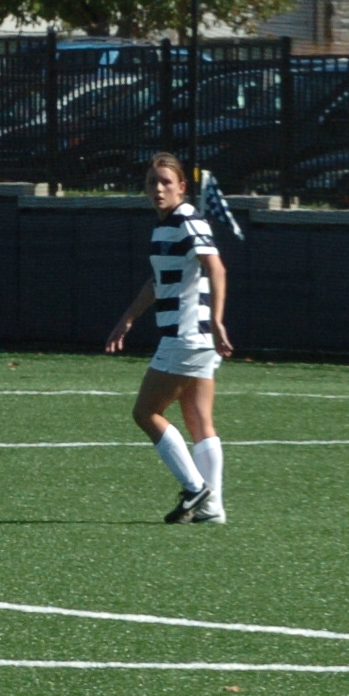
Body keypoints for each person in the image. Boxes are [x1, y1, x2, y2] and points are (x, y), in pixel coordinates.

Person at [105, 153, 234, 524]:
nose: (158, 189)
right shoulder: (164, 226)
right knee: (199, 420)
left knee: (145, 413)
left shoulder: (187, 219)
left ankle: (195, 489)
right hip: (195, 338)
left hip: (187, 335)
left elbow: (216, 267)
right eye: (152, 182)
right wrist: (127, 319)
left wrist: (218, 320)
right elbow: (157, 282)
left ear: (182, 187)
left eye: (166, 182)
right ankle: (212, 509)